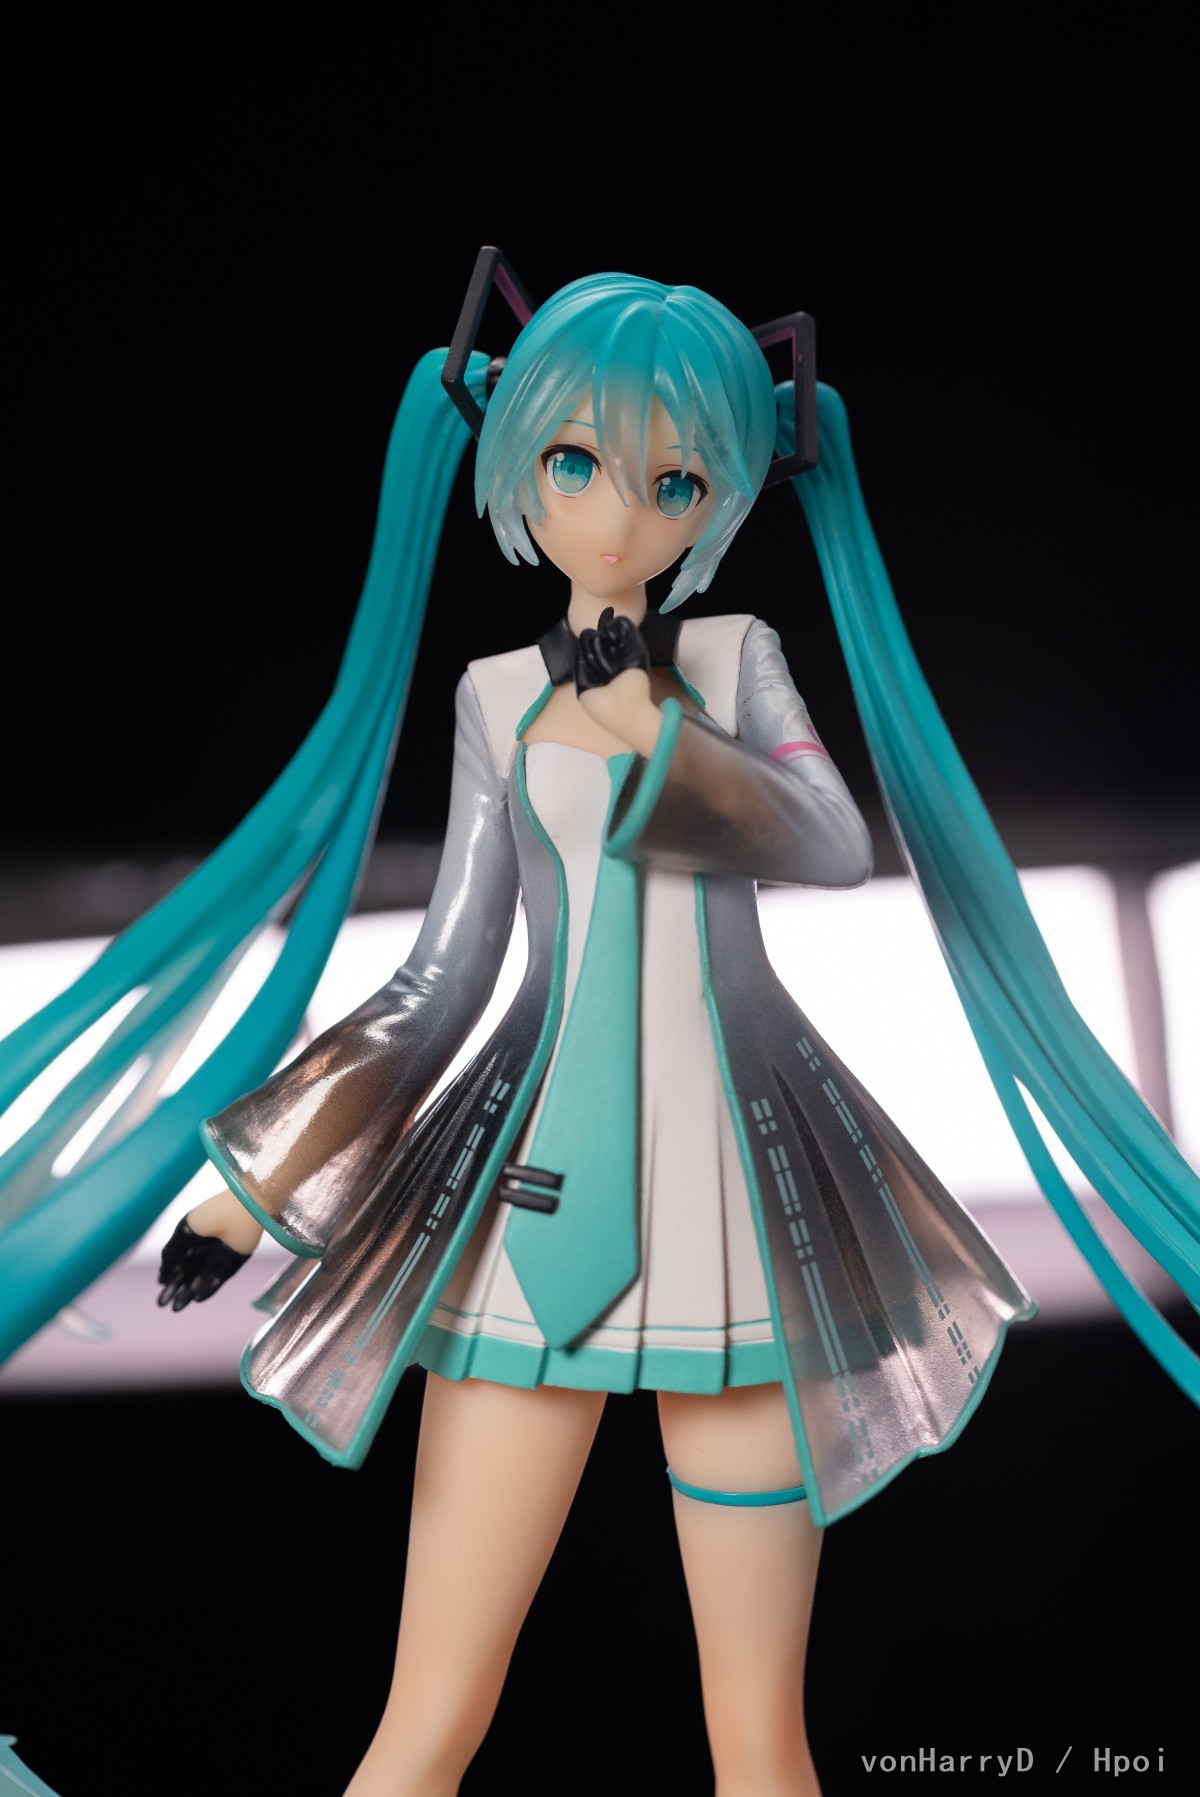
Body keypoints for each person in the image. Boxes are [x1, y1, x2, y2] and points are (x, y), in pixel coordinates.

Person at [2, 266, 1197, 1797]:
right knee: (425, 1720)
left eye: (673, 480)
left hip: (739, 1207)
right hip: (534, 1209)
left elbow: (835, 841)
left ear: (723, 493)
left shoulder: (734, 660)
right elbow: (440, 980)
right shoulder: (493, 697)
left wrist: (657, 735)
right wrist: (256, 1186)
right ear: (518, 461)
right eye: (576, 462)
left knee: (758, 1739)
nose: (619, 516)